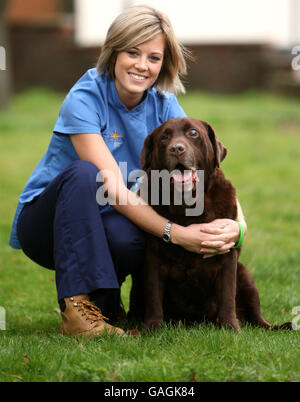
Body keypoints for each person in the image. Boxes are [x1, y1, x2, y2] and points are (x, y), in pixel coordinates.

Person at [9, 5, 247, 337]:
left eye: (153, 57)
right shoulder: (85, 98)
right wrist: (178, 234)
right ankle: (76, 310)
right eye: (132, 52)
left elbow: (205, 168)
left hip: (104, 221)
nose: (142, 65)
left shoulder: (163, 103)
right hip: (48, 223)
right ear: (114, 51)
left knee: (134, 238)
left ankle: (103, 307)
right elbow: (114, 190)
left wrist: (238, 225)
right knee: (83, 174)